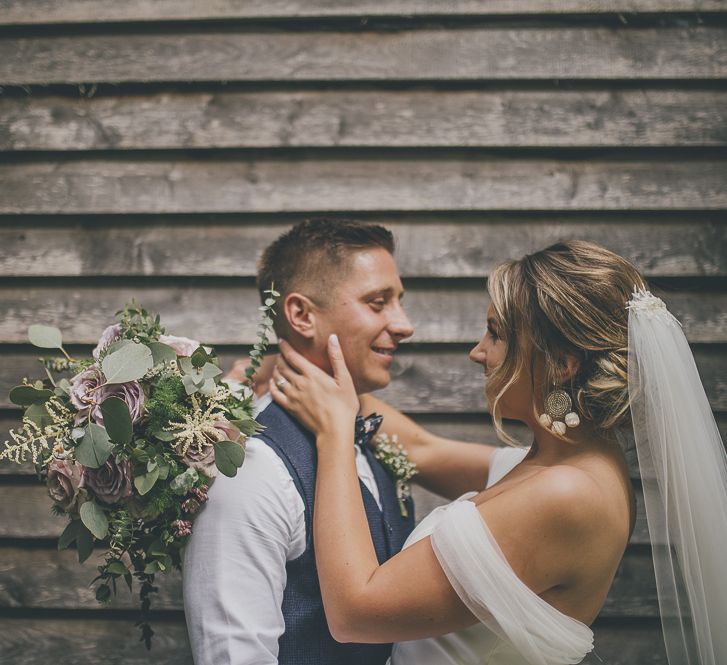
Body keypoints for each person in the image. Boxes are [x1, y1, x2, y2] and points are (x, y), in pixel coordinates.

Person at [270, 240, 727, 664]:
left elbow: (355, 613)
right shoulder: (563, 463)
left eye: (495, 333)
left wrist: (333, 434)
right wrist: (305, 369)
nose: (477, 352)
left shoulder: (566, 495)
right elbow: (422, 450)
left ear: (562, 363)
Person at [183, 219, 499, 665]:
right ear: (301, 315)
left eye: (398, 302)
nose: (404, 324)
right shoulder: (252, 469)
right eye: (378, 303)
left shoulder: (367, 429)